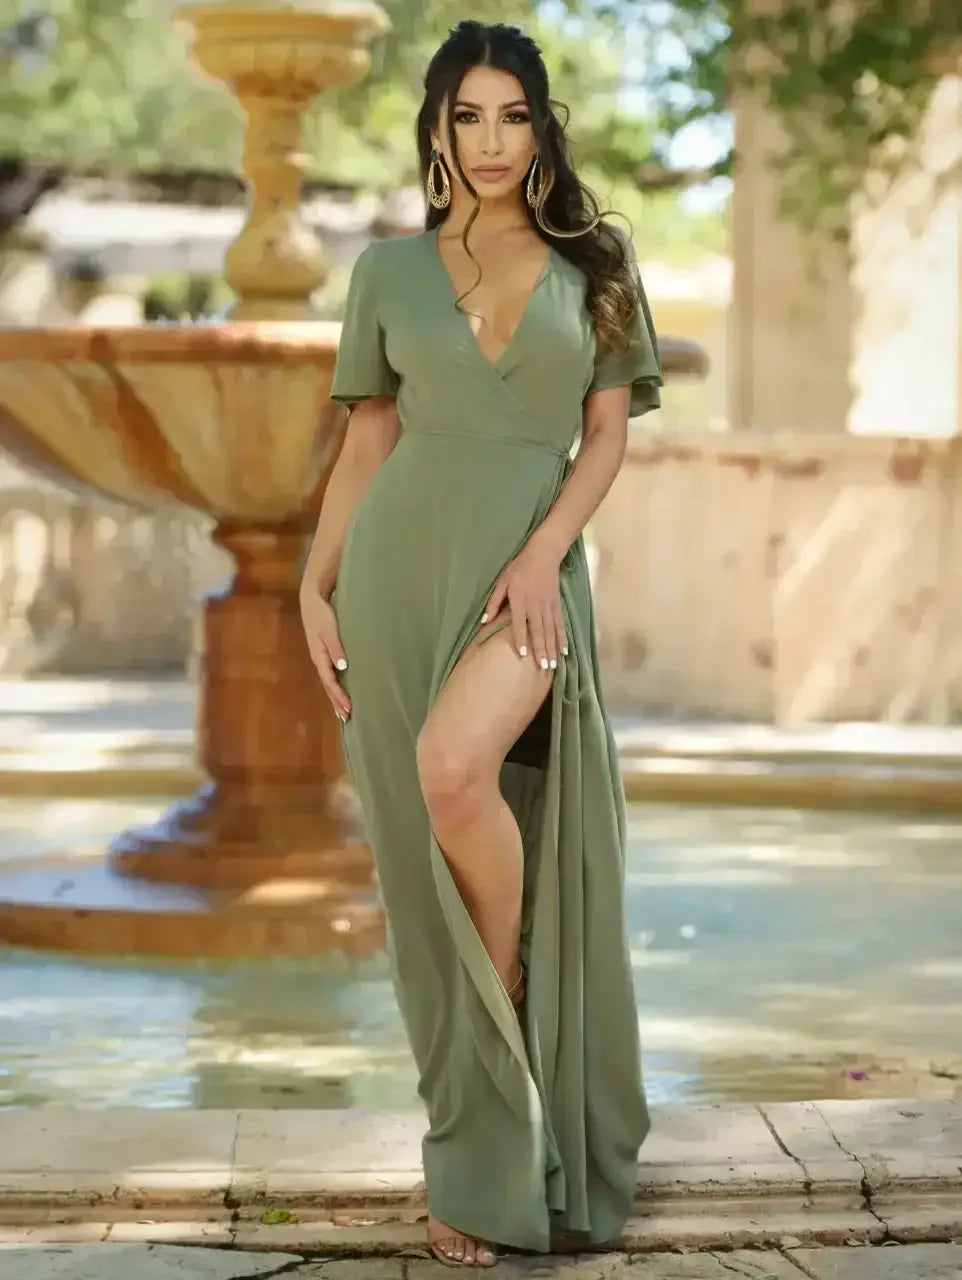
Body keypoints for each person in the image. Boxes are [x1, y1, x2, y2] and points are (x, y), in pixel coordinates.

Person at [299, 19, 662, 1270]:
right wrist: (311, 583)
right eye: (469, 116)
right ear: (439, 128)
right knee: (419, 844)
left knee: (456, 772)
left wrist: (539, 551)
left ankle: (504, 986)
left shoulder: (593, 263)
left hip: (530, 566)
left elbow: (605, 437)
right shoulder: (386, 273)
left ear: (540, 127)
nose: (492, 140)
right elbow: (365, 445)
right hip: (397, 571)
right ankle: (474, 1145)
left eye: (513, 116)